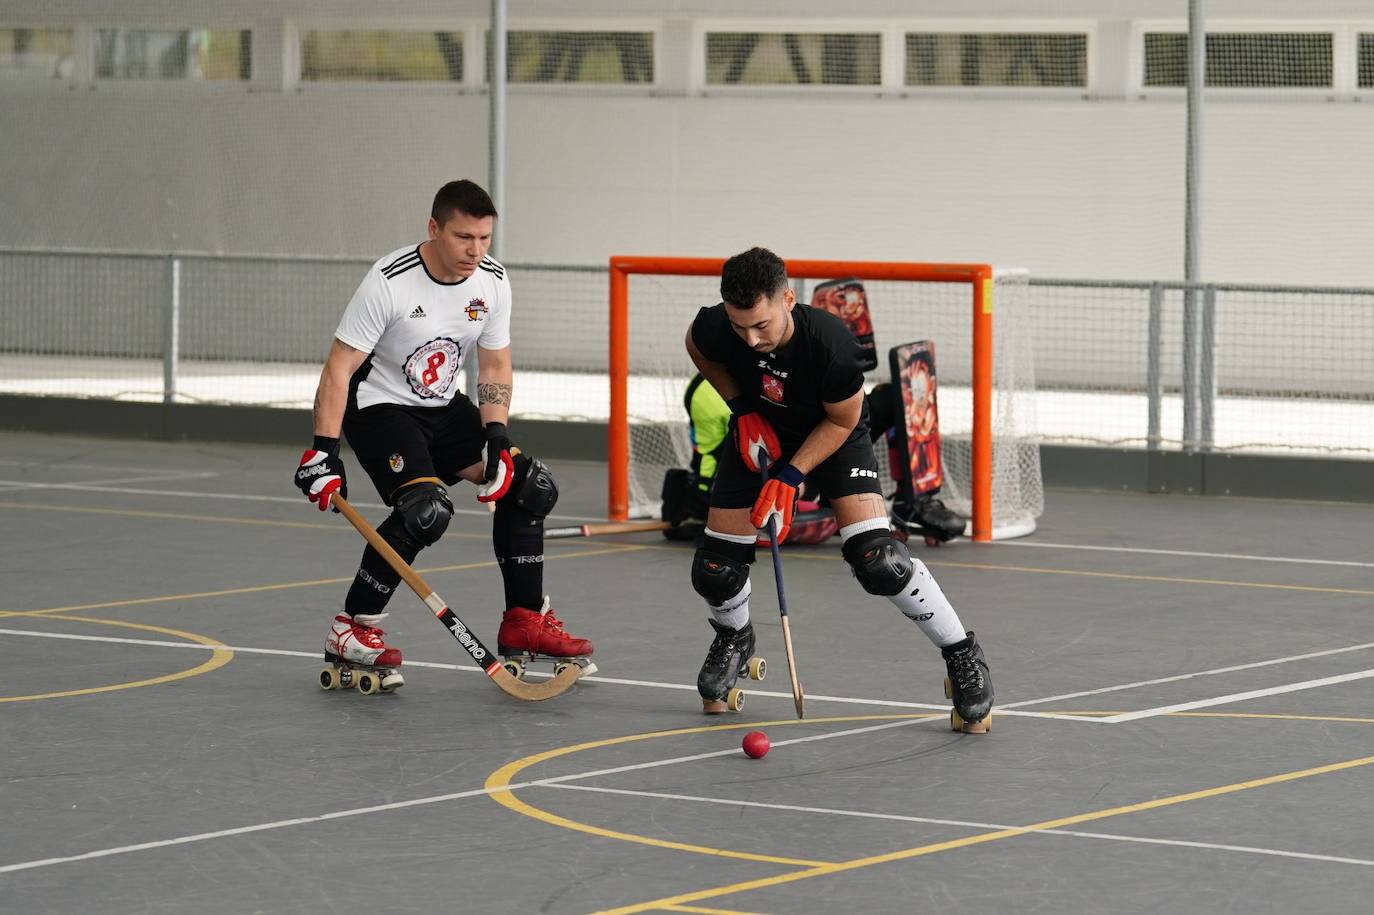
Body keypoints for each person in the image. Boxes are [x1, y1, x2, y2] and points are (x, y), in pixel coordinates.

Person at [293, 179, 593, 690]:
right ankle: (352, 628)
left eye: (484, 238)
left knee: (528, 484)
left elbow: (494, 361)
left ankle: (525, 621)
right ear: (433, 229)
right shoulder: (389, 281)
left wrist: (496, 433)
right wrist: (324, 451)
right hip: (381, 407)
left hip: (442, 407)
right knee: (425, 511)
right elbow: (340, 368)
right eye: (462, 238)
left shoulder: (492, 282)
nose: (475, 251)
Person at [683, 247, 992, 728]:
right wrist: (742, 408)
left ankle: (962, 654)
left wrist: (792, 474)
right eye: (739, 326)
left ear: (788, 299)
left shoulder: (830, 343)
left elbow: (844, 418)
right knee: (715, 568)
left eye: (761, 326)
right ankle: (734, 639)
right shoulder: (719, 326)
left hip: (833, 435)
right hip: (762, 431)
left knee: (880, 561)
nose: (750, 338)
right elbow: (698, 346)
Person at [663, 372, 837, 545]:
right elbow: (711, 454)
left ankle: (703, 508)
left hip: (716, 391)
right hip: (719, 403)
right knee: (717, 456)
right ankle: (702, 510)